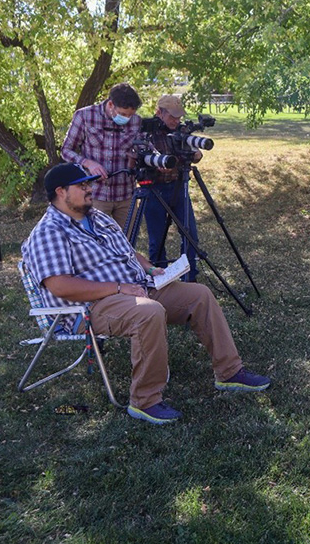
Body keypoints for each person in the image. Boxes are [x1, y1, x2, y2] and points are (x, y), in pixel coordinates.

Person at [21, 163, 272, 424]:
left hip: (136, 288)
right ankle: (144, 401)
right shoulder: (49, 232)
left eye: (89, 184)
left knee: (200, 295)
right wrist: (119, 288)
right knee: (148, 312)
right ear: (60, 192)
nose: (90, 189)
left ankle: (229, 373)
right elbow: (60, 286)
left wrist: (152, 269)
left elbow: (128, 253)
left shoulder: (96, 217)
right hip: (90, 308)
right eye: (82, 185)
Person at [61, 83, 144, 229]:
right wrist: (88, 163)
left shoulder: (137, 121)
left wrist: (136, 156)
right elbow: (66, 150)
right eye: (123, 114)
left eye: (131, 115)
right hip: (94, 194)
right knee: (94, 245)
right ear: (111, 104)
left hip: (126, 195)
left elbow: (143, 150)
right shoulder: (85, 116)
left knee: (127, 244)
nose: (127, 118)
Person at [139, 95, 201, 281]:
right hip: (153, 189)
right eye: (172, 116)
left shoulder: (181, 131)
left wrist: (196, 154)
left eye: (179, 116)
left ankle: (190, 279)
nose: (176, 120)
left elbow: (194, 155)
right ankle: (161, 280)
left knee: (190, 235)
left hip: (178, 186)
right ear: (160, 112)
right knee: (157, 241)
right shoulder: (147, 132)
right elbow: (139, 158)